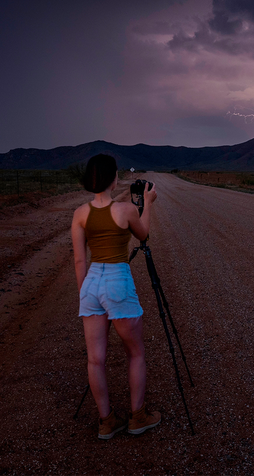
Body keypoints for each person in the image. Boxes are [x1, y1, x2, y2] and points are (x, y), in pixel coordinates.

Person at [71, 154, 161, 440]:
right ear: (114, 179)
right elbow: (143, 235)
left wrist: (84, 293)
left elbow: (78, 261)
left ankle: (106, 421)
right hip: (117, 281)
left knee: (95, 359)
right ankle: (138, 417)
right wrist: (147, 204)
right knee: (135, 352)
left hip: (91, 283)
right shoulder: (125, 211)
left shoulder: (80, 214)